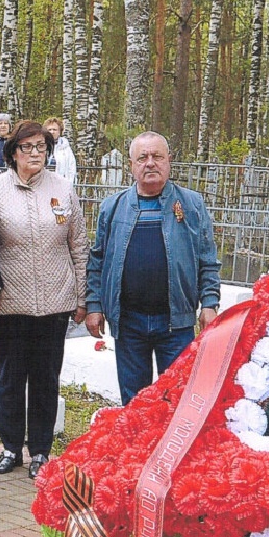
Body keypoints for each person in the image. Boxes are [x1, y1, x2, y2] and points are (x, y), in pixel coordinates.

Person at [84, 131, 220, 405]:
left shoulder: (192, 204)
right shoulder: (113, 207)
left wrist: (210, 302)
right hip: (129, 322)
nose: (150, 163)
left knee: (177, 401)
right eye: (142, 157)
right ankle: (138, 449)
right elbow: (97, 260)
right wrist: (94, 305)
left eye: (157, 156)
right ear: (131, 165)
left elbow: (207, 258)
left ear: (169, 161)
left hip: (176, 323)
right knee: (135, 403)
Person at [0, 120, 87, 479]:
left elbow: (78, 244)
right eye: (27, 147)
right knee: (11, 376)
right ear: (13, 152)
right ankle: (10, 446)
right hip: (10, 303)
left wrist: (82, 295)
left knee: (46, 378)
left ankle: (40, 450)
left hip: (55, 301)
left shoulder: (63, 189)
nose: (35, 154)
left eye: (41, 148)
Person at [44, 117, 78, 184]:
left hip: (60, 184)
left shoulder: (65, 148)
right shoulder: (41, 146)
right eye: (49, 130)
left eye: (54, 129)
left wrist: (69, 184)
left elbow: (71, 167)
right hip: (43, 183)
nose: (52, 132)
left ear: (59, 132)